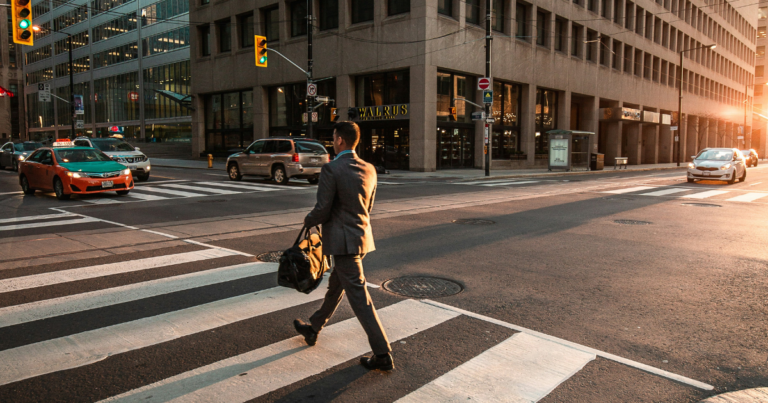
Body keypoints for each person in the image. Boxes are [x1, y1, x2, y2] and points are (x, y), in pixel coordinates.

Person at [293, 121, 393, 371]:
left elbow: (323, 209)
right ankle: (313, 328)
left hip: (342, 242)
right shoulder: (370, 168)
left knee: (360, 298)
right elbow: (367, 208)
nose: (332, 141)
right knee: (336, 287)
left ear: (340, 140)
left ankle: (382, 354)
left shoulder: (332, 169)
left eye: (333, 137)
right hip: (361, 238)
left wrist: (309, 220)